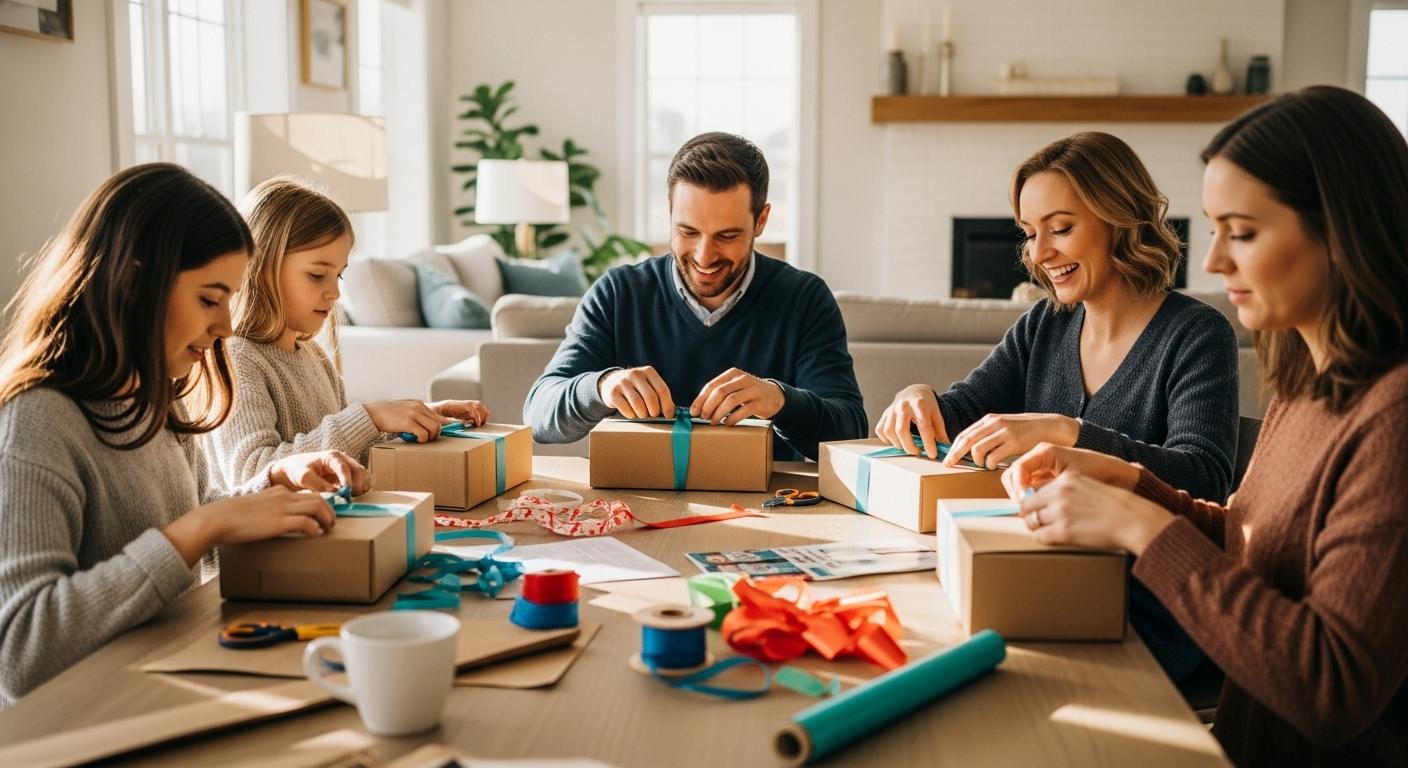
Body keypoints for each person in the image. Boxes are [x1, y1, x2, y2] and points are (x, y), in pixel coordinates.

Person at [1007, 86, 1408, 766]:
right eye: (1214, 228)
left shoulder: (1393, 418)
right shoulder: (1311, 381)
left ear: (1342, 229)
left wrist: (1141, 526)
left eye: (1242, 232)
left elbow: (1330, 688)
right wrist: (1133, 483)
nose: (1215, 261)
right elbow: (1257, 549)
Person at [876, 131, 1240, 683]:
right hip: (1041, 578)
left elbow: (1206, 478)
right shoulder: (1044, 325)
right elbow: (964, 410)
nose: (1039, 254)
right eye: (1029, 233)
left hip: (1147, 611)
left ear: (1120, 218)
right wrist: (917, 398)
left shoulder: (1196, 334)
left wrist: (1069, 431)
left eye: (1061, 228)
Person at [0, 164, 369, 704]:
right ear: (134, 283)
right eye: (209, 299)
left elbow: (196, 519)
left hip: (161, 679)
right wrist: (202, 527)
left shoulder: (158, 396)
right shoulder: (36, 422)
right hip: (79, 718)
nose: (225, 326)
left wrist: (271, 485)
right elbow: (21, 651)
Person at [523, 132, 866, 460]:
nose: (704, 256)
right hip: (638, 502)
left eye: (727, 235)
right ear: (670, 210)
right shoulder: (618, 293)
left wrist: (780, 400)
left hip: (768, 506)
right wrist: (601, 386)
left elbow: (850, 429)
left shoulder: (805, 300)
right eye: (688, 231)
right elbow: (537, 416)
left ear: (761, 220)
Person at [207, 177, 489, 488]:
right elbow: (252, 472)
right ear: (261, 267)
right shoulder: (237, 357)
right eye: (317, 275)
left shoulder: (311, 354)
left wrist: (414, 418)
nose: (334, 293)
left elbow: (343, 448)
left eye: (338, 275)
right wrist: (370, 416)